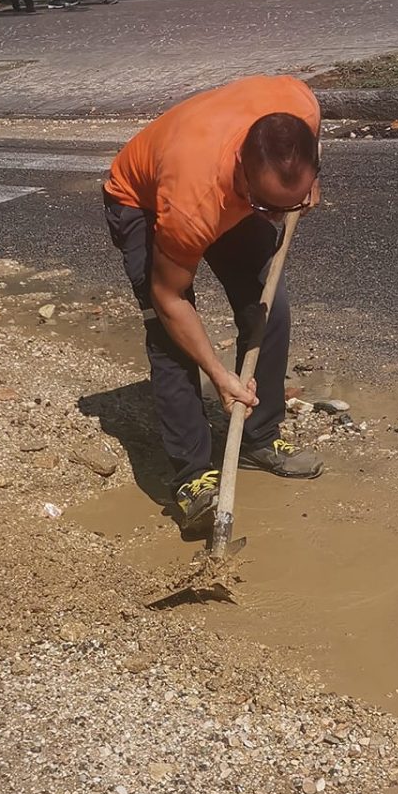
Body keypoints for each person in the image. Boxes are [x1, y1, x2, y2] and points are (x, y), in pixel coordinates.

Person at [104, 75, 324, 533]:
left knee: (267, 309)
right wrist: (220, 377)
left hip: (233, 192)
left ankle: (259, 437)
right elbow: (170, 299)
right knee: (170, 339)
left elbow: (304, 152)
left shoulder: (299, 104)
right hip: (144, 200)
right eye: (268, 206)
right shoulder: (193, 203)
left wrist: (303, 191)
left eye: (286, 205)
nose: (278, 217)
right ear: (242, 164)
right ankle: (193, 476)